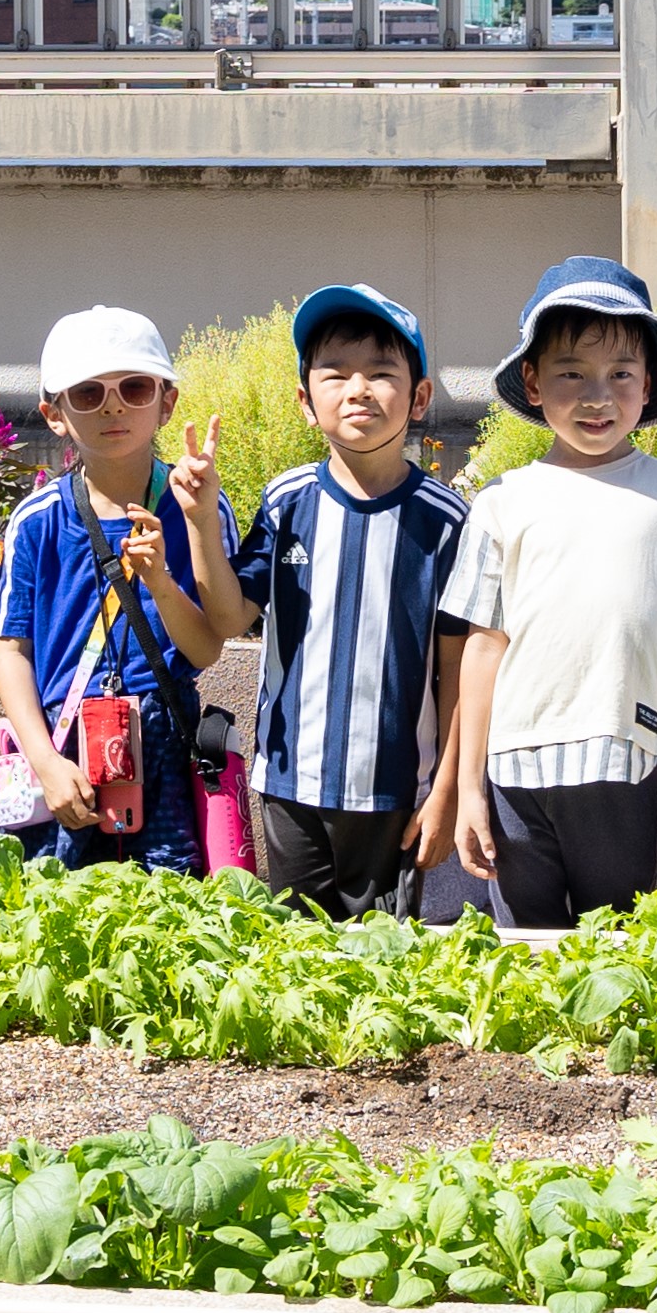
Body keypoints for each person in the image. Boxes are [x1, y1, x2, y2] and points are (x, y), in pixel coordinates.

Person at [442, 257, 657, 926]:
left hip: (624, 761)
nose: (597, 395)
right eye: (571, 372)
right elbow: (482, 649)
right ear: (533, 380)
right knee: (528, 965)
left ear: (649, 383)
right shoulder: (502, 501)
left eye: (620, 374)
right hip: (515, 772)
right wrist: (466, 789)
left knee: (620, 961)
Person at [181, 286, 466, 918]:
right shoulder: (287, 503)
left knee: (381, 969)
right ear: (306, 404)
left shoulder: (444, 523)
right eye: (335, 374)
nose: (358, 389)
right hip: (290, 782)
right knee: (300, 960)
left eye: (382, 373)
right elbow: (231, 618)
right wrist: (202, 521)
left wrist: (446, 788)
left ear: (418, 398)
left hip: (395, 793)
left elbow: (458, 673)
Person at [0, 306, 234, 874]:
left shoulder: (198, 505)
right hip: (63, 736)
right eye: (88, 393)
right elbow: (10, 651)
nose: (113, 404)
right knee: (56, 914)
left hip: (165, 733)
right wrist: (44, 761)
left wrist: (160, 581)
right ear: (55, 414)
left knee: (170, 920)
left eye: (135, 387)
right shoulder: (38, 518)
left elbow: (207, 650)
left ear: (166, 402)